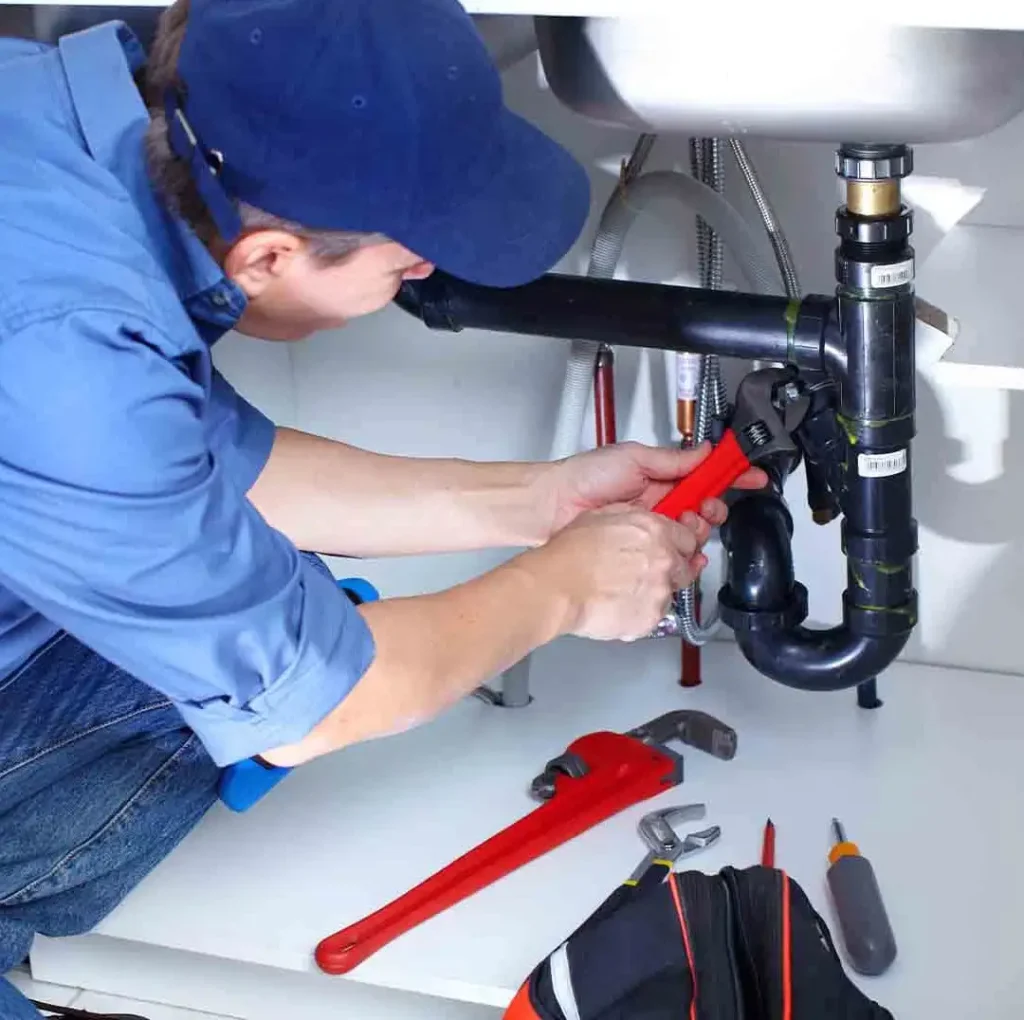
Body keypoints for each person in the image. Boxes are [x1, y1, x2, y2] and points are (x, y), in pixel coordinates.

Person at [0, 1, 764, 1017]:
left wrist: (538, 502)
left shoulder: (62, 128)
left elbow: (200, 466)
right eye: (407, 263)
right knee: (248, 669)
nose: (426, 274)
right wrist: (562, 591)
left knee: (268, 611)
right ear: (266, 258)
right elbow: (319, 707)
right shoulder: (70, 358)